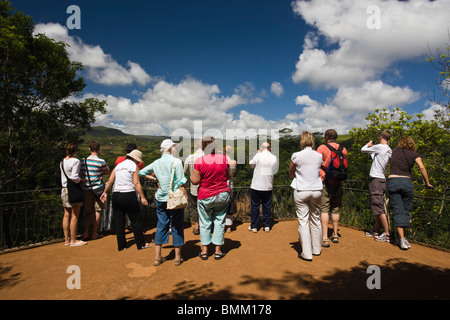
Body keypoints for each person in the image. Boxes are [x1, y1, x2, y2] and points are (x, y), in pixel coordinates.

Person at [139, 139, 188, 266]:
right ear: (170, 149)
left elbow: (141, 172)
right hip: (174, 199)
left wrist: (156, 178)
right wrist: (185, 195)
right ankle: (177, 258)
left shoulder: (156, 163)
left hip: (161, 198)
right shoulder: (176, 162)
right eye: (174, 147)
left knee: (161, 225)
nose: (176, 149)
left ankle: (157, 257)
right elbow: (182, 181)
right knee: (177, 226)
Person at [387, 136, 433, 250]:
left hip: (393, 181)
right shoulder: (414, 154)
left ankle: (401, 239)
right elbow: (422, 167)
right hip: (407, 182)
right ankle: (403, 238)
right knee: (406, 210)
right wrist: (427, 182)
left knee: (397, 210)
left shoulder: (394, 151)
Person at [100, 149, 151, 251]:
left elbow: (110, 180)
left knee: (119, 221)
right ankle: (140, 244)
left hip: (116, 195)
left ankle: (121, 245)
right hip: (129, 194)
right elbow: (136, 183)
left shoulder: (118, 166)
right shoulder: (134, 167)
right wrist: (143, 197)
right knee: (136, 220)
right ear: (136, 160)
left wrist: (105, 192)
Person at [190, 137, 232, 260]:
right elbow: (228, 176)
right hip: (222, 195)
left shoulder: (200, 161)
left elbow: (195, 181)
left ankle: (204, 251)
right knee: (219, 222)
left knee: (204, 222)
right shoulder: (223, 159)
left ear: (203, 147)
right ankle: (217, 252)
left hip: (205, 196)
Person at [289, 131, 323, 261]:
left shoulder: (296, 155)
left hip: (301, 189)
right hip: (316, 190)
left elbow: (291, 172)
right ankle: (317, 249)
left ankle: (307, 253)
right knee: (316, 219)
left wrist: (297, 175)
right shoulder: (319, 156)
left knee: (303, 221)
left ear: (301, 141)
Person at [317, 129, 348, 247]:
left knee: (324, 207)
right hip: (339, 181)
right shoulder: (343, 149)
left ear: (326, 136)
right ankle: (335, 234)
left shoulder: (322, 148)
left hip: (325, 180)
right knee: (335, 208)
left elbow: (317, 163)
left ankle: (325, 237)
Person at [361, 130, 392, 242]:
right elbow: (375, 158)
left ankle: (387, 233)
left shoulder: (381, 147)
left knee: (378, 206)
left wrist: (369, 145)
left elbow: (363, 150)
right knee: (376, 205)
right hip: (381, 179)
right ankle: (377, 230)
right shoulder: (388, 150)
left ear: (380, 137)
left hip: (376, 180)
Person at [80, 141, 110, 241]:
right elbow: (107, 171)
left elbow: (80, 174)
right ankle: (94, 233)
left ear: (89, 149)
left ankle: (85, 233)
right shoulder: (101, 161)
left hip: (87, 189)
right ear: (98, 149)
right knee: (97, 211)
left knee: (88, 212)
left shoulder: (82, 161)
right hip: (98, 189)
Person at [60, 143, 87, 247]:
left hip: (64, 189)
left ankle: (66, 239)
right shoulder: (76, 161)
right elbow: (74, 177)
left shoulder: (62, 162)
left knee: (66, 214)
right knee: (75, 215)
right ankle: (73, 240)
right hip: (73, 190)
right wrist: (82, 180)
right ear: (75, 151)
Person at [248, 142, 278, 233]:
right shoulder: (273, 157)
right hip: (267, 185)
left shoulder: (258, 156)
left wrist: (257, 154)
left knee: (255, 206)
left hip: (256, 185)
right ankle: (266, 225)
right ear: (269, 148)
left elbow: (251, 165)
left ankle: (254, 226)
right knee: (267, 206)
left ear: (261, 148)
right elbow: (272, 168)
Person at [183, 139, 204, 235]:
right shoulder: (207, 157)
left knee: (195, 208)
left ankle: (197, 226)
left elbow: (184, 171)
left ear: (196, 146)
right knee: (206, 208)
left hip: (194, 188)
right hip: (207, 188)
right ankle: (206, 226)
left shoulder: (190, 157)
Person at [223, 145, 237, 233]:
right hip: (230, 185)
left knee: (221, 205)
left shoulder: (221, 161)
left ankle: (221, 224)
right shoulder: (233, 162)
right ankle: (228, 226)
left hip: (222, 185)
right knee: (229, 205)